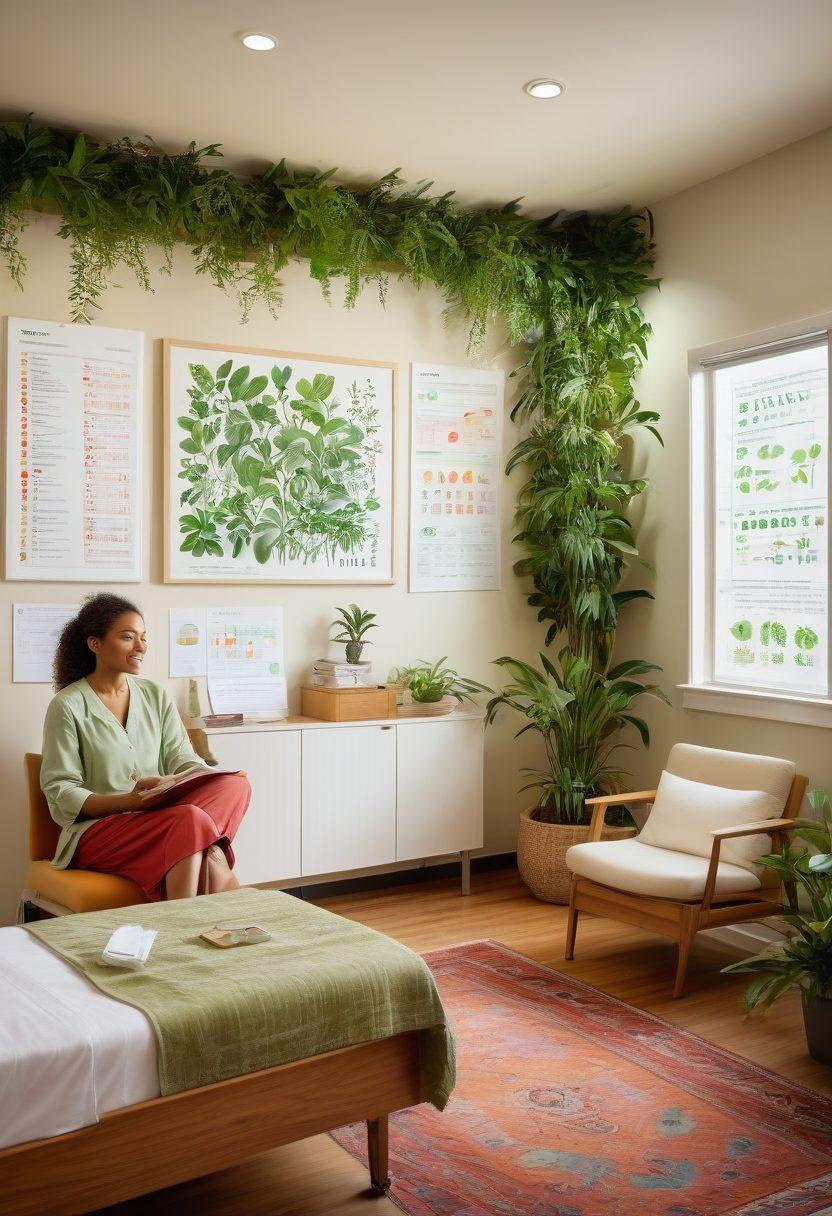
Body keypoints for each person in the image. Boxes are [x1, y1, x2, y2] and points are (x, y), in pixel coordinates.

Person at [40, 593, 251, 901]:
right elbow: (61, 791)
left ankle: (202, 862)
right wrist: (130, 801)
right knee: (189, 820)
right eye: (128, 637)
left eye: (143, 638)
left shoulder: (154, 694)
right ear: (94, 643)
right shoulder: (67, 706)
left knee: (236, 786)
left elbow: (182, 757)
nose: (141, 647)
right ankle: (202, 882)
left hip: (161, 821)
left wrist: (203, 777)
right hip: (97, 832)